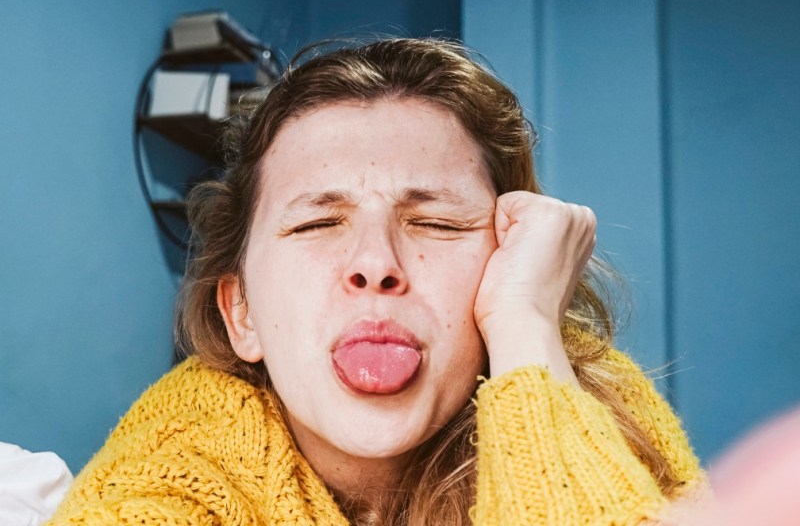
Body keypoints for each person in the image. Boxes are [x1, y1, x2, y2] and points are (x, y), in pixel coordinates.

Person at [48, 38, 703, 525]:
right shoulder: (179, 454)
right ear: (241, 313)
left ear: (512, 263)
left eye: (437, 222)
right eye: (316, 224)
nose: (375, 263)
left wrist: (528, 328)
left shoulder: (588, 396)